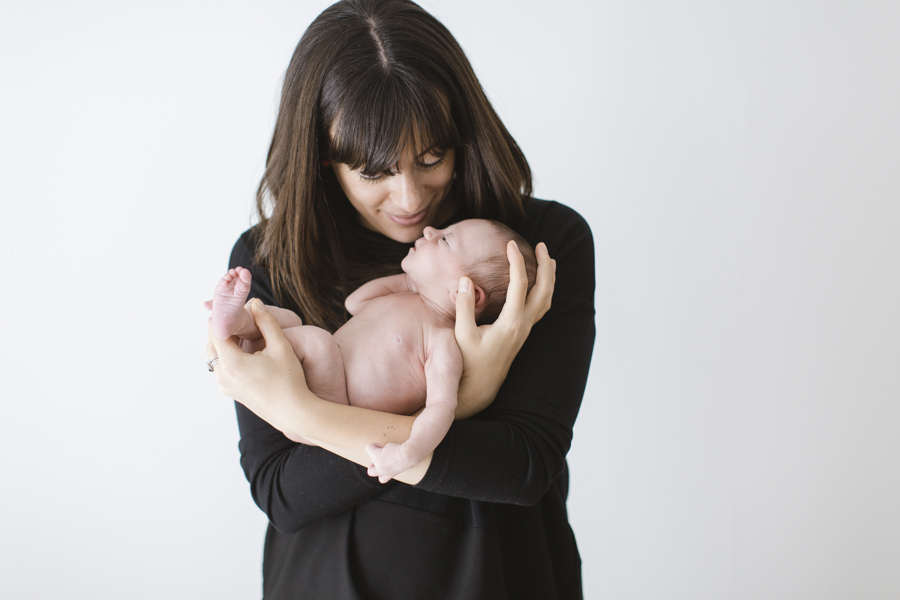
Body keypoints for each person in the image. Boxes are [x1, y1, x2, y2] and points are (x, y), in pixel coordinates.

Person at [206, 0, 595, 597]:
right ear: (323, 159)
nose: (411, 198)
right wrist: (471, 396)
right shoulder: (272, 256)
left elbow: (522, 467)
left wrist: (303, 416)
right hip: (325, 581)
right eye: (373, 172)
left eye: (432, 156)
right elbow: (283, 492)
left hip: (500, 578)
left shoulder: (529, 254)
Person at [209, 219, 537, 482]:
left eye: (446, 240)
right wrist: (407, 282)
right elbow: (356, 303)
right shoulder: (406, 298)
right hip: (300, 381)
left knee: (316, 341)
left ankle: (244, 337)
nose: (430, 230)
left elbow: (441, 408)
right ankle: (237, 323)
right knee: (288, 319)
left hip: (332, 411)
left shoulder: (443, 341)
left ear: (466, 293)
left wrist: (409, 453)